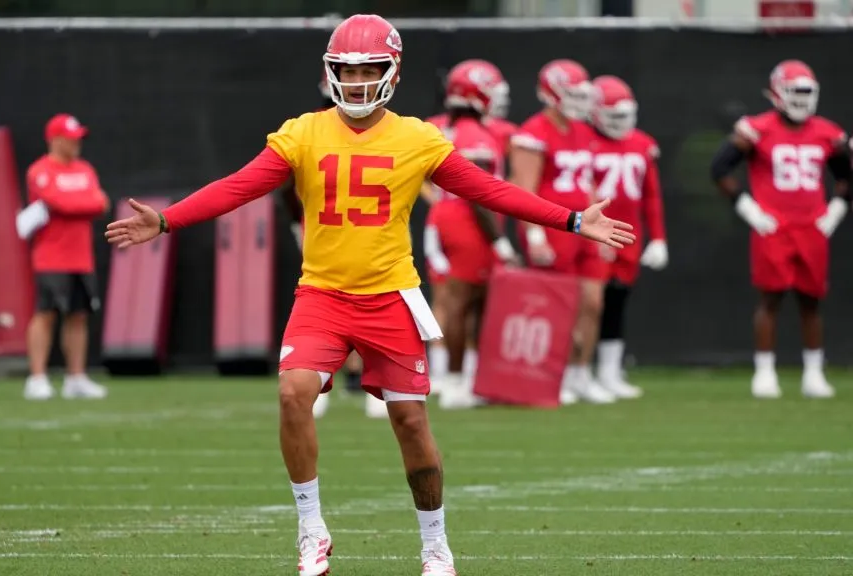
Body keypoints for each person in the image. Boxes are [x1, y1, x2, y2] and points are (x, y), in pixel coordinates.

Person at [106, 14, 633, 576]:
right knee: (292, 394)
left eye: (369, 70)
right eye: (347, 71)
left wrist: (573, 221)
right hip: (323, 296)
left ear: (393, 72)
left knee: (409, 422)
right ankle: (311, 529)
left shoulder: (417, 138)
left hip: (390, 298)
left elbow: (491, 191)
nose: (357, 83)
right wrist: (166, 221)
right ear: (331, 74)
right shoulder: (302, 132)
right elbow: (238, 186)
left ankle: (435, 545)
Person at [711, 59, 848, 399]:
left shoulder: (827, 133)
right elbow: (720, 168)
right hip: (773, 227)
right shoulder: (758, 128)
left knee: (811, 301)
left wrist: (837, 209)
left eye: (806, 92)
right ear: (776, 93)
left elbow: (847, 175)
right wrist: (749, 209)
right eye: (794, 91)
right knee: (770, 299)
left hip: (812, 227)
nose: (801, 99)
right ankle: (765, 371)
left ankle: (814, 373)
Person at [511, 59, 615, 405]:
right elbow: (523, 190)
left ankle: (580, 374)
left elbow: (586, 185)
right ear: (551, 93)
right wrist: (536, 237)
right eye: (572, 94)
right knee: (559, 308)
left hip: (584, 226)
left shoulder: (584, 131)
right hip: (554, 226)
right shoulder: (533, 133)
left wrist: (600, 228)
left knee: (593, 303)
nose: (580, 101)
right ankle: (554, 377)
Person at [421, 59, 518, 409]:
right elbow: (477, 195)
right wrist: (499, 240)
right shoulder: (478, 137)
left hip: (445, 218)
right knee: (464, 304)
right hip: (467, 223)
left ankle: (461, 379)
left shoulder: (443, 130)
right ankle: (457, 383)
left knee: (457, 303)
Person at [283, 72, 380, 419]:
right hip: (341, 233)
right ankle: (328, 377)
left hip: (360, 233)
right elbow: (285, 184)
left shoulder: (386, 129)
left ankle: (352, 378)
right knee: (342, 305)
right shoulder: (308, 130)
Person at [589, 75, 668, 399]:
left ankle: (609, 371)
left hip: (627, 235)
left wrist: (659, 238)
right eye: (614, 116)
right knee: (588, 304)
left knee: (618, 302)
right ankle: (574, 371)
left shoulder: (642, 144)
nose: (620, 123)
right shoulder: (586, 142)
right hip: (594, 234)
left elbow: (651, 196)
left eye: (625, 115)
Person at [23, 114, 110, 401]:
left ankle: (76, 377)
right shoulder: (40, 170)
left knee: (78, 316)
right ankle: (37, 378)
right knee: (45, 314)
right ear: (54, 139)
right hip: (51, 256)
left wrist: (78, 204)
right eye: (70, 138)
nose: (76, 144)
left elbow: (101, 203)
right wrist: (82, 203)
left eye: (78, 138)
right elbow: (58, 202)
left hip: (81, 256)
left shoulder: (85, 169)